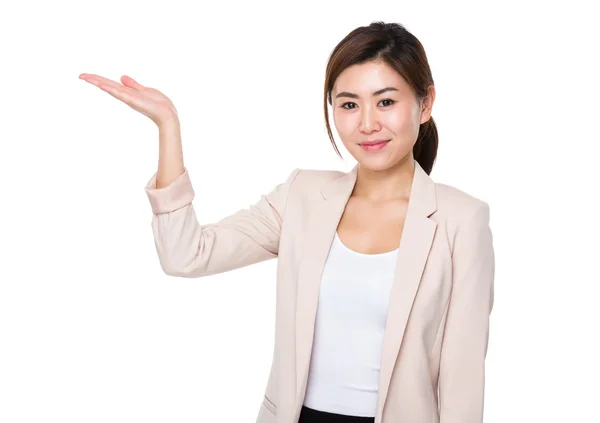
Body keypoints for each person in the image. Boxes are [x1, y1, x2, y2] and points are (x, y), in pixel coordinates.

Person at [80, 21, 494, 423]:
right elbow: (185, 255)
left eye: (386, 101)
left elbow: (462, 384)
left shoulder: (461, 220)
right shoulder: (303, 197)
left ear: (425, 105)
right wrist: (168, 126)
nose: (367, 123)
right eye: (349, 104)